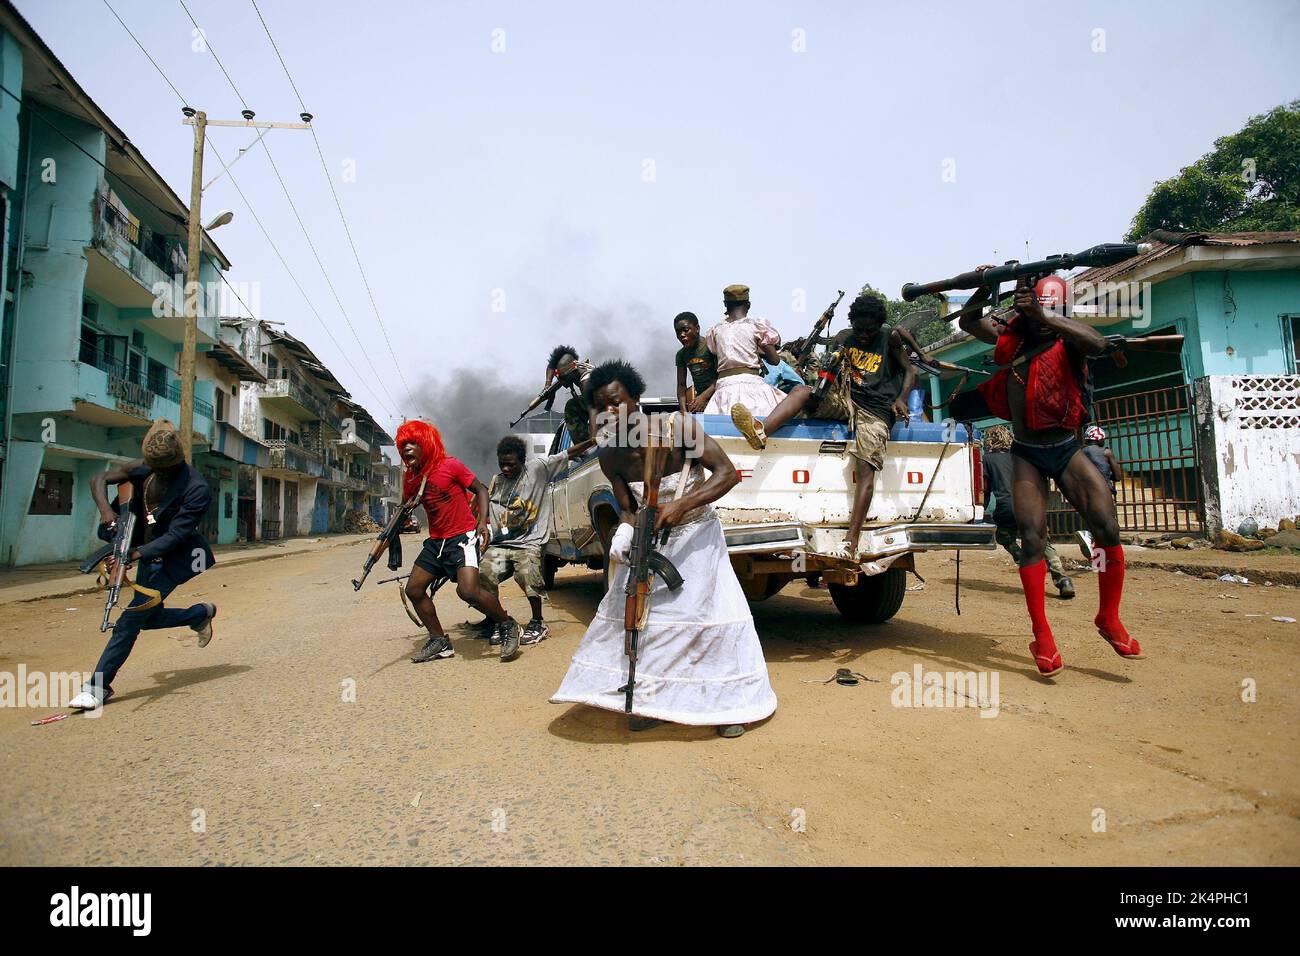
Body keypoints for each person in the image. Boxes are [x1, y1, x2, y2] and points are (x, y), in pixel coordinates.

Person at [551, 360, 778, 738]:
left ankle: (728, 706)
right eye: (603, 406)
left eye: (618, 401)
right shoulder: (610, 456)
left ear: (636, 398)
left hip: (699, 539)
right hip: (652, 543)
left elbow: (727, 475)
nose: (612, 412)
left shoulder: (679, 428)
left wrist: (680, 505)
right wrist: (623, 535)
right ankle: (655, 701)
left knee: (708, 622)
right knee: (648, 624)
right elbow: (626, 507)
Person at [961, 274, 1144, 677]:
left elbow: (1096, 344)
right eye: (1040, 313)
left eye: (1055, 312)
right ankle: (1042, 636)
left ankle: (1108, 618)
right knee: (1032, 538)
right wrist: (985, 284)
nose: (1046, 319)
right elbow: (968, 321)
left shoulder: (1068, 338)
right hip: (1026, 453)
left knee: (1107, 528)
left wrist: (1044, 314)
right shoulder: (1011, 336)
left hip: (1066, 449)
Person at [68, 419, 218, 710]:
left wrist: (132, 555)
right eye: (155, 467)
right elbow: (98, 479)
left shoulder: (196, 488)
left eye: (165, 469)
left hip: (175, 559)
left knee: (130, 620)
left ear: (178, 460)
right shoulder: (144, 467)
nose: (159, 473)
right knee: (146, 618)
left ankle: (98, 686)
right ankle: (199, 614)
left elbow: (176, 536)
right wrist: (106, 512)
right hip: (143, 551)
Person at [396, 420, 523, 663]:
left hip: (462, 537)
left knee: (468, 591)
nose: (407, 449)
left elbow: (482, 490)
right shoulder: (411, 478)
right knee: (414, 589)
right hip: (436, 542)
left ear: (426, 444)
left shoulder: (449, 465)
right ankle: (439, 640)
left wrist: (482, 522)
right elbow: (407, 505)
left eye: (413, 443)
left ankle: (508, 625)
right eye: (403, 445)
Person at [478, 433, 596, 645]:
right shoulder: (497, 481)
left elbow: (567, 453)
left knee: (527, 574)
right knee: (485, 573)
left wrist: (593, 440)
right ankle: (498, 621)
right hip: (502, 544)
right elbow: (488, 505)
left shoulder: (537, 469)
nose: (506, 469)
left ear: (522, 461)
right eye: (502, 464)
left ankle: (537, 622)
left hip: (529, 542)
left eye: (511, 465)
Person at [825, 293, 916, 559]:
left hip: (876, 411)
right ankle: (762, 430)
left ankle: (851, 541)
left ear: (880, 325)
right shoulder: (844, 338)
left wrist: (901, 398)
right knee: (803, 392)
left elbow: (911, 371)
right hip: (846, 401)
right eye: (859, 328)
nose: (864, 334)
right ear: (852, 322)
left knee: (865, 468)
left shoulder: (890, 338)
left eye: (870, 330)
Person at [702, 284, 815, 450]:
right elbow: (775, 360)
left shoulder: (715, 330)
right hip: (751, 385)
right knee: (787, 411)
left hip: (723, 389)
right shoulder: (756, 326)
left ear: (725, 305)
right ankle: (760, 436)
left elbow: (718, 359)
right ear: (748, 305)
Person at [982, 425, 1074, 599]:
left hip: (1007, 508)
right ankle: (1063, 579)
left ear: (990, 441)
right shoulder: (1021, 457)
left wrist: (981, 511)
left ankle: (1022, 558)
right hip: (1032, 506)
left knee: (1004, 537)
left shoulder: (987, 460)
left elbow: (985, 490)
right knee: (1043, 542)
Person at [1075, 425, 1124, 559]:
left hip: (1083, 492)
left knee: (1093, 521)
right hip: (1104, 491)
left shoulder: (1079, 453)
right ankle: (1094, 544)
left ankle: (1097, 557)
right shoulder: (1106, 452)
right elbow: (1118, 476)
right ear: (1100, 439)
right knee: (1108, 525)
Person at [545, 345, 596, 443]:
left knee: (572, 407)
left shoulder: (586, 382)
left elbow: (593, 411)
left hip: (609, 410)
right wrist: (547, 385)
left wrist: (592, 443)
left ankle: (583, 447)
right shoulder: (581, 368)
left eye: (563, 378)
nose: (562, 382)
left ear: (571, 373)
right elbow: (551, 365)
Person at [673, 312, 718, 413]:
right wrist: (684, 411)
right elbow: (681, 385)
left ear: (697, 328)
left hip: (719, 397)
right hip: (700, 402)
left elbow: (722, 377)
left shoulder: (711, 346)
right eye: (678, 332)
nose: (682, 335)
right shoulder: (681, 355)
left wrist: (704, 397)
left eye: (685, 330)